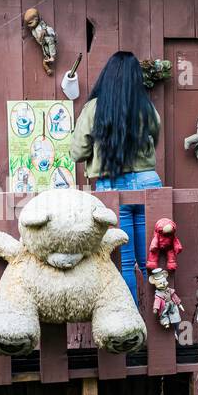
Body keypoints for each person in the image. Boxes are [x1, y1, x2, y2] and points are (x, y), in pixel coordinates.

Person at [69, 51, 162, 304]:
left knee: (123, 261)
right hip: (148, 184)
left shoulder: (94, 108)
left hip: (112, 188)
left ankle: (129, 325)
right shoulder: (147, 107)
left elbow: (77, 151)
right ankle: (160, 326)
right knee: (153, 260)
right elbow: (156, 136)